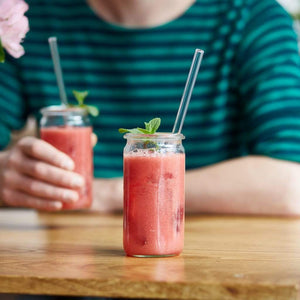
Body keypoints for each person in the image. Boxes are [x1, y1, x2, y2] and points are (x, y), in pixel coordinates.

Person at [0, 0, 300, 216]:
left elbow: (291, 184)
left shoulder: (251, 16)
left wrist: (107, 194)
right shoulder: (20, 23)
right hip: (62, 264)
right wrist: (7, 175)